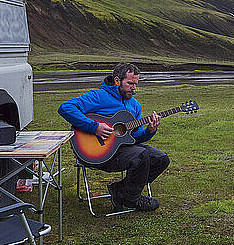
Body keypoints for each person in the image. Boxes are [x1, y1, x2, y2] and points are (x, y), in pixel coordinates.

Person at [58, 62, 169, 212]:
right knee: (141, 156)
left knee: (161, 159)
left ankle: (122, 190)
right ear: (117, 80)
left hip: (123, 149)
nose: (134, 88)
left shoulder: (135, 105)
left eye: (136, 84)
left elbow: (135, 137)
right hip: (96, 153)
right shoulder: (98, 96)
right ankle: (132, 199)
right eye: (130, 83)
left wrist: (150, 130)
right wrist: (95, 127)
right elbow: (66, 108)